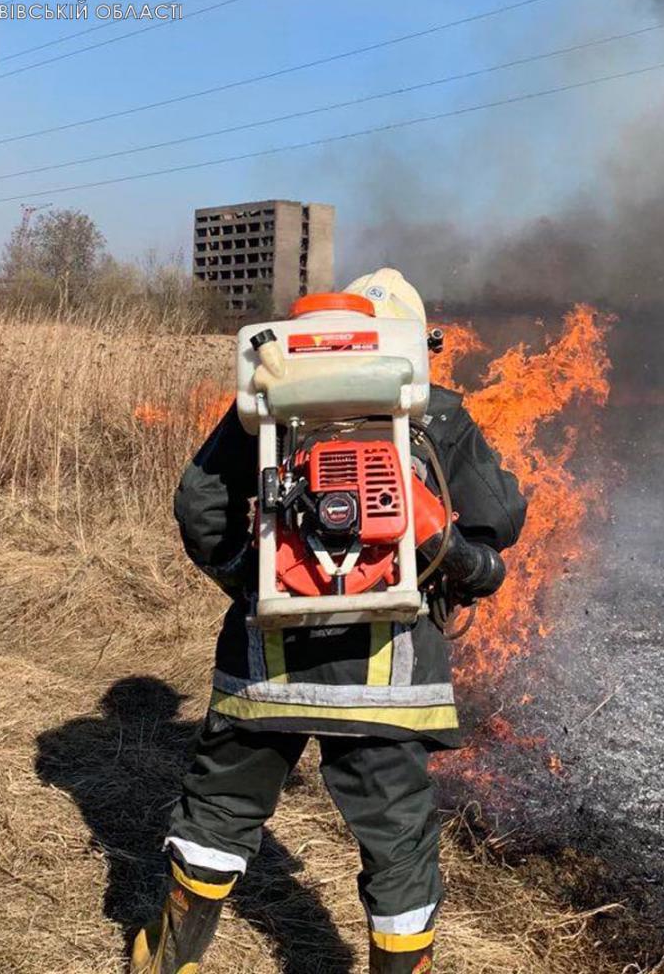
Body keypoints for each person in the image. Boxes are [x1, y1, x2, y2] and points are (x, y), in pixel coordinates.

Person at [131, 268, 528, 974]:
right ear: (412, 340)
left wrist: (253, 584)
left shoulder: (266, 401)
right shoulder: (435, 411)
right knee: (398, 844)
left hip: (266, 668)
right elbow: (498, 523)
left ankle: (169, 960)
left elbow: (199, 510)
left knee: (218, 814)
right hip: (389, 678)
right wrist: (457, 567)